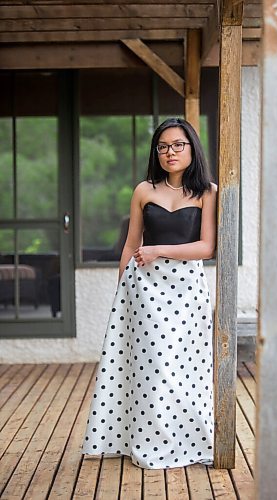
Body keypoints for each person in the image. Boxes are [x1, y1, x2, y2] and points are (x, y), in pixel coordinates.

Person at [82, 117, 217, 469]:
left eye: (177, 145)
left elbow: (207, 247)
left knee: (185, 370)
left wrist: (158, 250)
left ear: (191, 148)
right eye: (162, 147)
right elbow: (130, 246)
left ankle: (189, 439)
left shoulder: (208, 192)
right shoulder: (144, 190)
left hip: (187, 292)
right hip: (144, 290)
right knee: (152, 369)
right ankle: (150, 443)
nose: (170, 152)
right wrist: (119, 297)